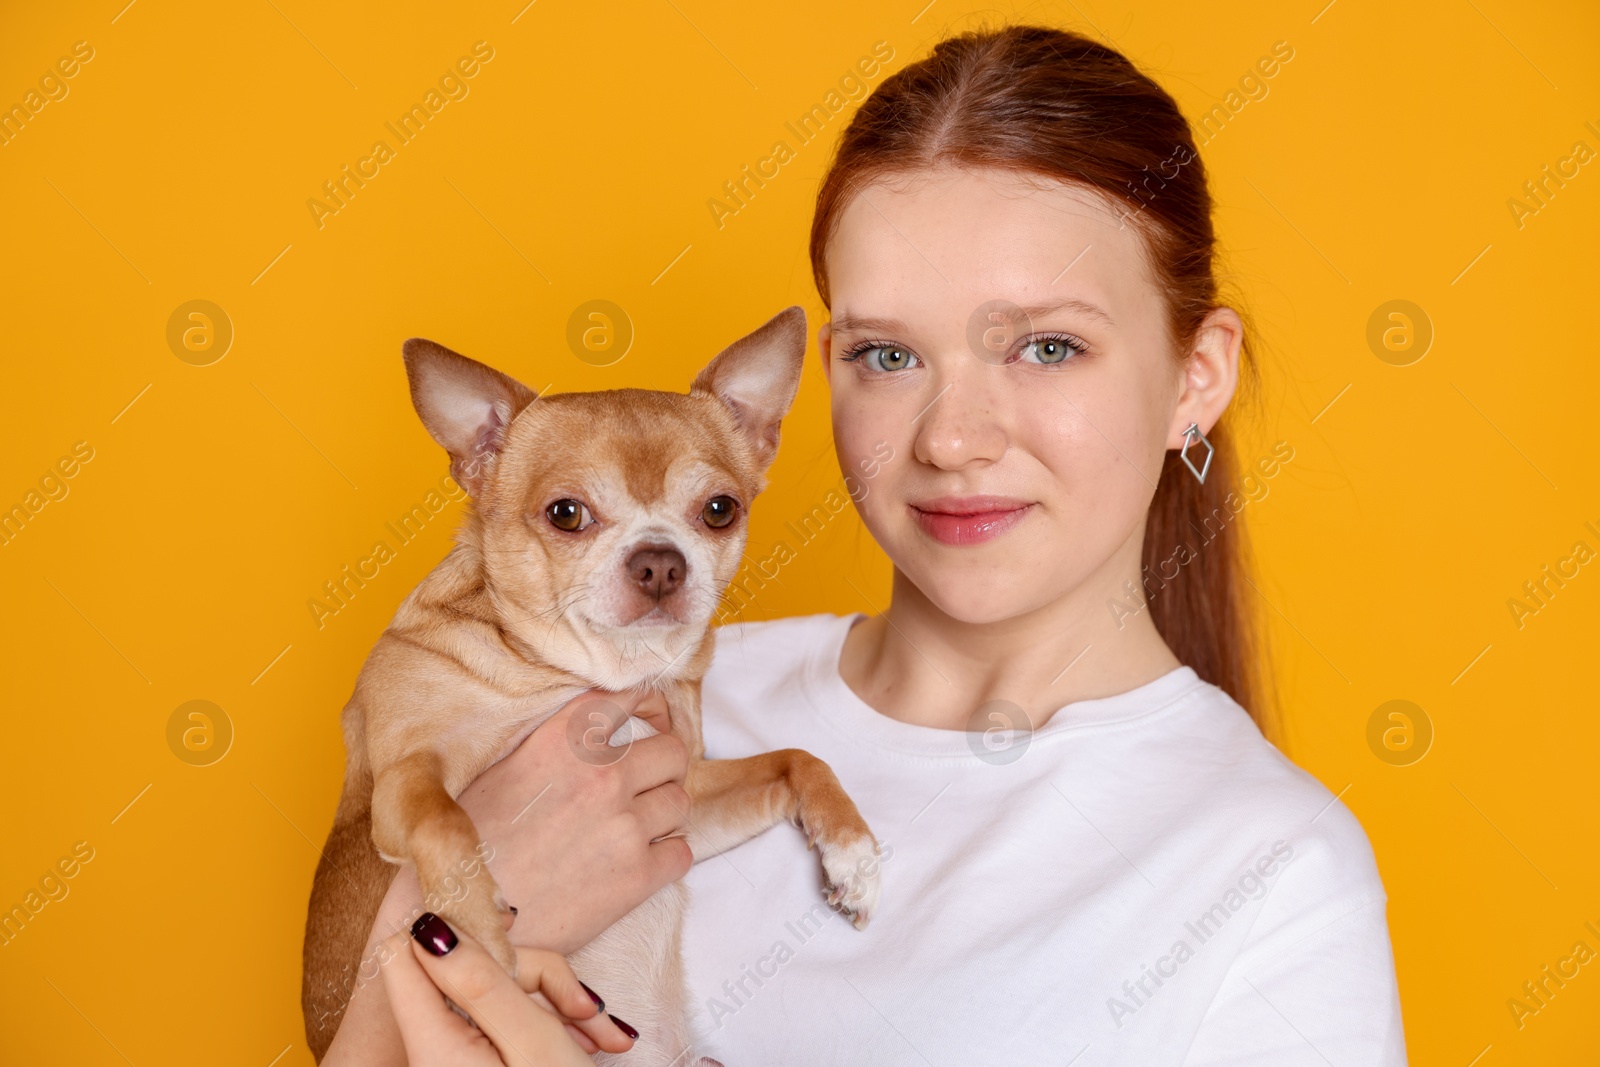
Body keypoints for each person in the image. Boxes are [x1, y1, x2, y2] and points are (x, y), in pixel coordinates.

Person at [324, 23, 1407, 1066]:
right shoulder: (615, 692)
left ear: (1195, 379)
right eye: (887, 355)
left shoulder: (1271, 873)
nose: (950, 437)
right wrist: (452, 911)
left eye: (1045, 345)